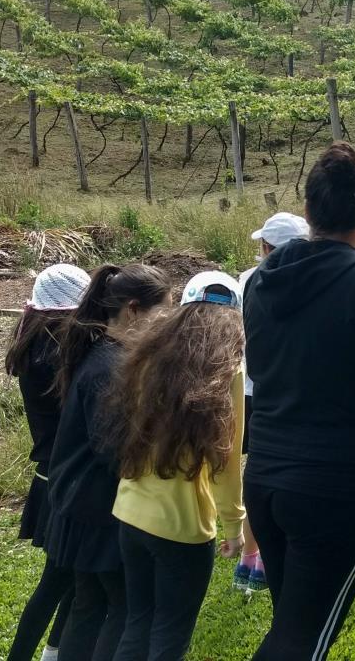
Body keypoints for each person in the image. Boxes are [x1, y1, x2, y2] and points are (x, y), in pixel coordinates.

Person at [241, 142, 355, 661]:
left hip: (267, 477)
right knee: (304, 641)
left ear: (307, 211)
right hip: (335, 485)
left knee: (291, 624)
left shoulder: (261, 281)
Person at [107, 271, 247, 661]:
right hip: (182, 527)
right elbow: (225, 460)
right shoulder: (228, 370)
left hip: (129, 513)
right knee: (171, 634)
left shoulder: (145, 352)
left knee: (138, 624)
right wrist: (234, 525)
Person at [42, 265, 172, 661]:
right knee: (123, 609)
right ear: (133, 311)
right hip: (98, 511)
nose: (165, 328)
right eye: (162, 317)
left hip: (79, 507)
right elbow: (113, 449)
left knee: (90, 606)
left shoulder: (102, 352)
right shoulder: (111, 369)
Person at [6, 263, 91, 661]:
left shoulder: (34, 340)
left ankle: (53, 652)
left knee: (74, 577)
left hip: (52, 475)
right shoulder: (55, 354)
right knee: (57, 580)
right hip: (66, 479)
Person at [234, 212, 310, 593]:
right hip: (296, 389)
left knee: (256, 470)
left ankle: (250, 558)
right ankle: (274, 556)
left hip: (251, 388)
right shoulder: (316, 282)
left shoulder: (247, 280)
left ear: (265, 248)